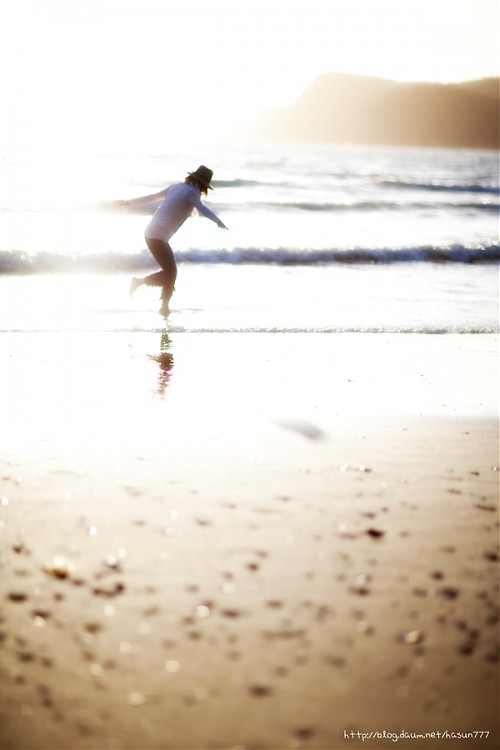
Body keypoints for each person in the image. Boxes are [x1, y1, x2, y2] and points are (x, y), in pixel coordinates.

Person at [121, 165, 227, 316]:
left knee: (170, 272)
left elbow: (152, 197)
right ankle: (142, 285)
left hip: (152, 234)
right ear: (203, 185)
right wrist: (218, 221)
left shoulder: (176, 187)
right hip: (157, 236)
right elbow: (202, 209)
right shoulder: (192, 193)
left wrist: (129, 202)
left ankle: (164, 306)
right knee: (171, 272)